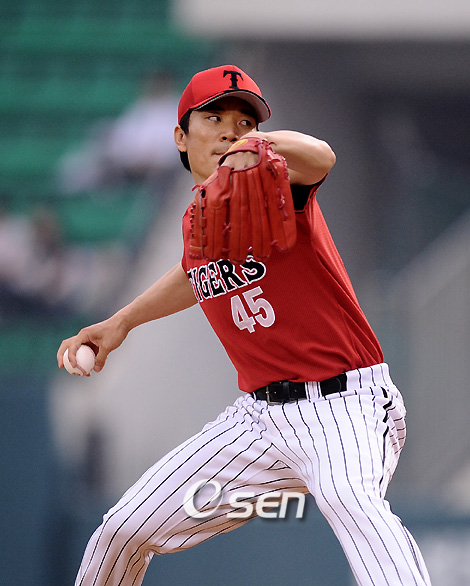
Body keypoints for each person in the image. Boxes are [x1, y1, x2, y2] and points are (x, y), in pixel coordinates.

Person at [57, 64, 432, 586]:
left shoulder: (279, 187)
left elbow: (322, 156)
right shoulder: (201, 219)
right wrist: (122, 322)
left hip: (344, 407)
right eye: (214, 119)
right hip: (257, 427)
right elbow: (195, 273)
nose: (230, 131)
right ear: (181, 137)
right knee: (124, 528)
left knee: (350, 500)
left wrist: (261, 145)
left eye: (244, 121)